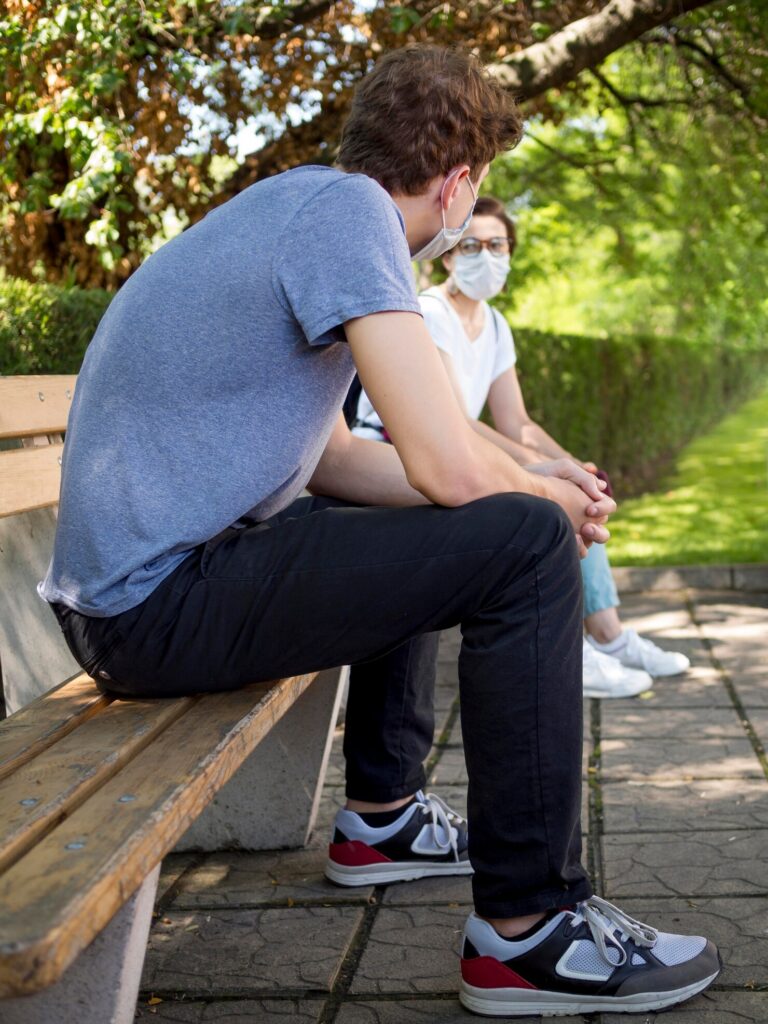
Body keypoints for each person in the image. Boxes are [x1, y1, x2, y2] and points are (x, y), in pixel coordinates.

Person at [40, 45, 719, 1017]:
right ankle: (529, 933)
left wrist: (534, 470)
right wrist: (546, 504)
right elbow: (444, 458)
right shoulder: (349, 218)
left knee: (449, 519)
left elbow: (340, 461)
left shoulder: (306, 209)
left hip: (142, 598)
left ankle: (386, 817)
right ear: (457, 184)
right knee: (521, 548)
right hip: (151, 604)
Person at [352, 195, 691, 699]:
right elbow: (454, 421)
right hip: (395, 456)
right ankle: (574, 650)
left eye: (496, 245)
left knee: (577, 488)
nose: (484, 255)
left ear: (510, 253)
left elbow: (518, 422)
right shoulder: (429, 312)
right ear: (448, 255)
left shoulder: (495, 325)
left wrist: (576, 466)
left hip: (449, 449)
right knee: (550, 503)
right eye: (470, 245)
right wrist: (547, 474)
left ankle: (609, 636)